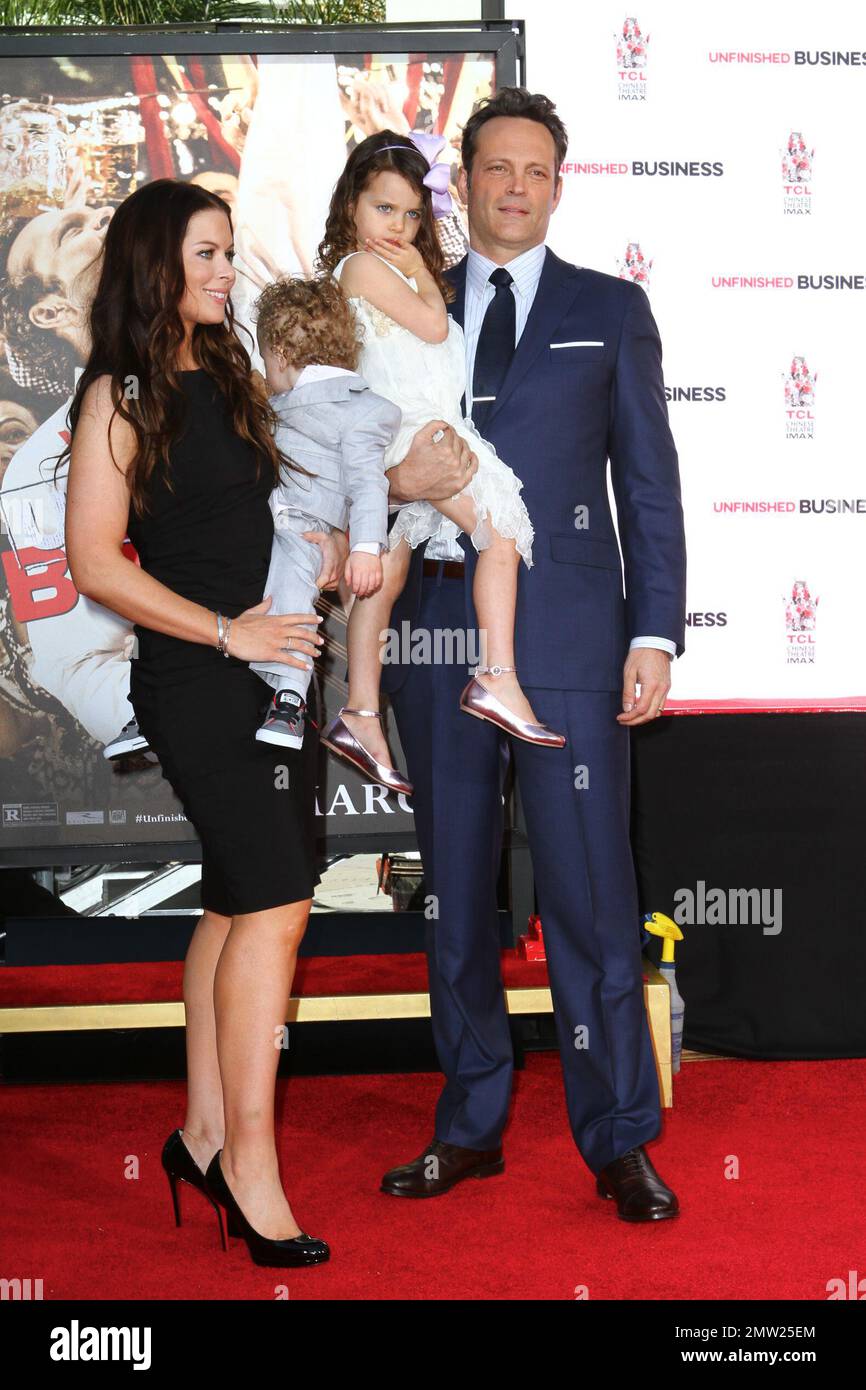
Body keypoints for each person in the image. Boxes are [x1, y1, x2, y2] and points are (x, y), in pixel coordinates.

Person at [376, 88, 687, 1221]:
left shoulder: (611, 308)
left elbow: (645, 484)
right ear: (459, 181)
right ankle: (469, 1126)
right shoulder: (403, 298)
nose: (514, 187)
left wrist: (652, 629)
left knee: (592, 900)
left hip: (566, 641)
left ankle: (616, 1138)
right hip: (435, 634)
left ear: (557, 185)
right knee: (453, 898)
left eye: (536, 171)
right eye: (494, 167)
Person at [63, 177, 339, 1268]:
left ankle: (202, 1133)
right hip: (203, 678)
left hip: (273, 668)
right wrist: (231, 635)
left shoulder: (225, 370)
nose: (229, 269)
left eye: (230, 251)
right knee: (275, 908)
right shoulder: (117, 395)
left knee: (237, 906)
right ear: (156, 265)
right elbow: (92, 561)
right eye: (210, 253)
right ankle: (249, 1169)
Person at [315, 129, 566, 789]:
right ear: (350, 209)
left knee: (386, 575)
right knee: (501, 530)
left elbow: (436, 339)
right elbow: (431, 326)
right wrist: (426, 274)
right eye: (383, 209)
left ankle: (361, 713)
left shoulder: (394, 269)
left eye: (411, 213)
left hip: (417, 426)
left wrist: (422, 276)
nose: (398, 225)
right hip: (408, 431)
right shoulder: (362, 268)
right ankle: (496, 676)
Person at [248, 273, 404, 776]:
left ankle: (289, 699)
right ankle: (143, 704)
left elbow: (367, 485)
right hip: (261, 524)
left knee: (293, 585)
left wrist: (364, 548)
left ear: (278, 353)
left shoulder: (360, 411)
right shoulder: (270, 405)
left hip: (306, 529)